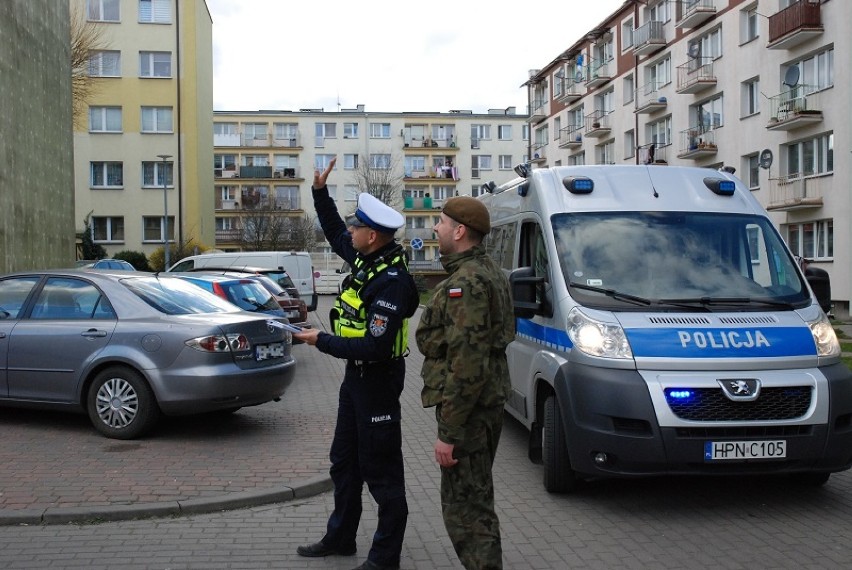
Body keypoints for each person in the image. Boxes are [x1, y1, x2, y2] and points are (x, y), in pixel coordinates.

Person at [294, 158, 418, 570]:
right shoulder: (367, 260)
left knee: (382, 474)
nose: (349, 233)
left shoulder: (392, 281)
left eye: (355, 228)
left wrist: (320, 340)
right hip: (356, 382)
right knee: (344, 461)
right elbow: (332, 232)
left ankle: (385, 558)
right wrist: (318, 192)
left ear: (373, 235)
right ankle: (341, 537)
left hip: (379, 380)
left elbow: (376, 348)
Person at [415, 196, 514, 570]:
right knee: (476, 501)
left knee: (467, 511)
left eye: (440, 222)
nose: (435, 229)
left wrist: (450, 431)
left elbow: (466, 362)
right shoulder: (487, 271)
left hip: (468, 414)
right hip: (482, 406)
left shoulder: (468, 282)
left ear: (459, 231)